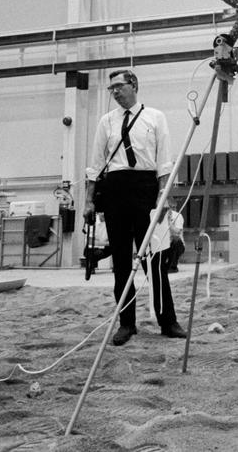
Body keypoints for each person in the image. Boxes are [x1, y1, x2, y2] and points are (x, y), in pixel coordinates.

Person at [82, 69, 187, 346]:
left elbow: (164, 161)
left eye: (119, 86)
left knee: (155, 261)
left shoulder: (155, 117)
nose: (115, 92)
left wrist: (164, 196)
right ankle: (127, 324)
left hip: (146, 189)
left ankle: (168, 321)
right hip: (116, 190)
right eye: (111, 88)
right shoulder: (107, 122)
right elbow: (95, 164)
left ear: (134, 85)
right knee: (121, 263)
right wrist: (89, 200)